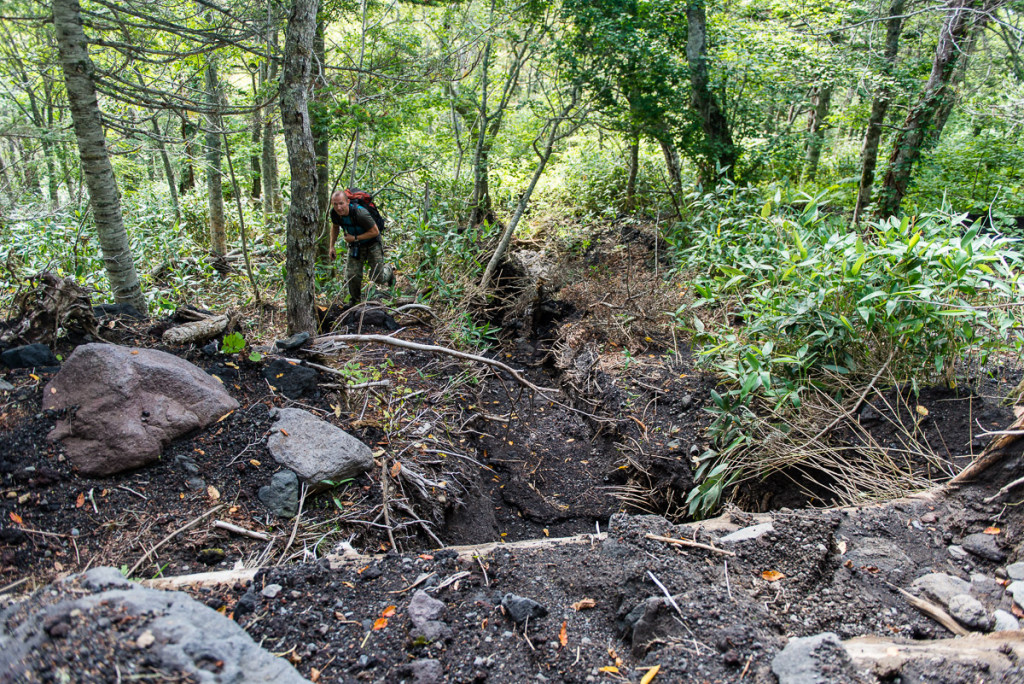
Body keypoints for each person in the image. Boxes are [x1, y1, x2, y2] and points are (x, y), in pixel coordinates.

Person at [328, 190, 394, 303]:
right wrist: (331, 246)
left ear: (347, 202)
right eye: (335, 204)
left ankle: (389, 270)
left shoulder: (360, 213)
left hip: (372, 243)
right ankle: (355, 301)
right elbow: (335, 227)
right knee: (352, 275)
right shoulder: (335, 213)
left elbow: (375, 232)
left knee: (378, 277)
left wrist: (354, 238)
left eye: (341, 203)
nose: (338, 207)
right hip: (356, 245)